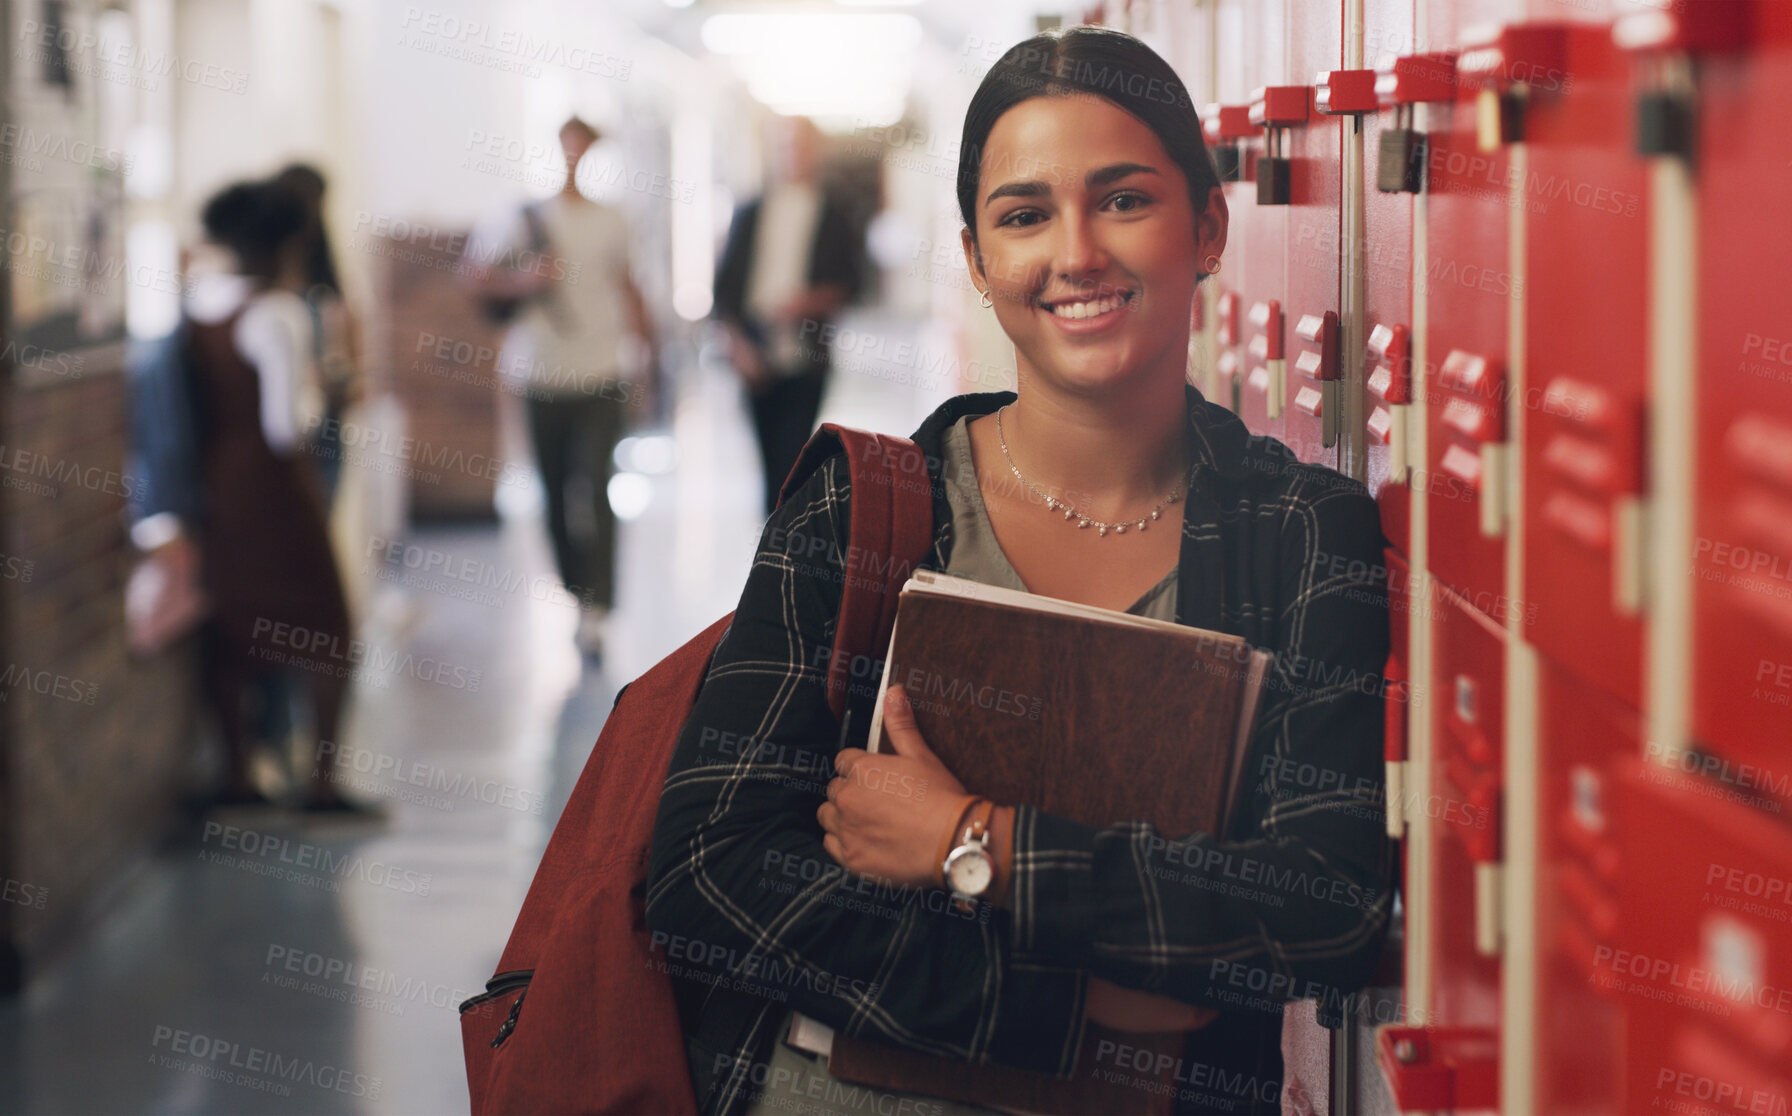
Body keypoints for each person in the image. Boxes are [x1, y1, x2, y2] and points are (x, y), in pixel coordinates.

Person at [648, 26, 1393, 1116]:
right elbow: (708, 874)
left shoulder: (1304, 534)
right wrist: (1068, 1005)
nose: (1075, 252)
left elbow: (1320, 906)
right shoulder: (867, 509)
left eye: (1124, 200)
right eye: (1025, 214)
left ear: (1208, 228)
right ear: (977, 261)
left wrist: (972, 842)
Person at [185, 178, 365, 812]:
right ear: (290, 242)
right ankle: (322, 783)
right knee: (330, 629)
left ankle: (239, 775)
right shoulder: (278, 313)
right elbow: (287, 426)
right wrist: (325, 388)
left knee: (233, 627)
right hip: (276, 487)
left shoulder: (202, 304)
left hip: (218, 482)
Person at [463, 116, 658, 655]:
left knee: (596, 488)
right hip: (538, 375)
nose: (575, 157)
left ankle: (600, 605)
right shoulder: (519, 217)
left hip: (601, 372)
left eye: (584, 147)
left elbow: (629, 288)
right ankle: (576, 592)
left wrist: (648, 361)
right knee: (551, 495)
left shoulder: (614, 220)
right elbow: (473, 275)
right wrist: (524, 280)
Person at [712, 115, 866, 515]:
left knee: (795, 457)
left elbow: (853, 282)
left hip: (807, 353)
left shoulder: (834, 212)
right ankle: (773, 544)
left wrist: (808, 303)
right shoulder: (750, 211)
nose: (792, 154)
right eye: (785, 145)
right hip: (755, 350)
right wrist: (738, 348)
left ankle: (791, 544)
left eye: (800, 144)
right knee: (767, 462)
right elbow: (723, 292)